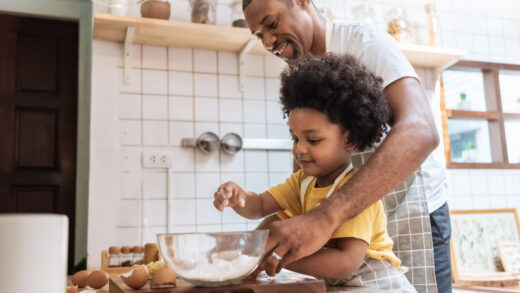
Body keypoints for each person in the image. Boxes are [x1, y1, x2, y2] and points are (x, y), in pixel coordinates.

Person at [241, 0, 451, 292]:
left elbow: (422, 131)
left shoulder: (364, 43)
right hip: (345, 220)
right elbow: (305, 181)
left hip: (412, 213)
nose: (267, 41)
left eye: (272, 24)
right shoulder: (303, 76)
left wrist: (325, 216)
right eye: (258, 34)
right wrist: (256, 247)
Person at [214, 54, 416, 292]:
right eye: (295, 138)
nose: (299, 148)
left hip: (377, 285)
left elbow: (346, 263)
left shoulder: (356, 194)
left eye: (313, 139)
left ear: (350, 138)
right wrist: (239, 197)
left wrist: (277, 258)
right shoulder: (303, 183)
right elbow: (258, 206)